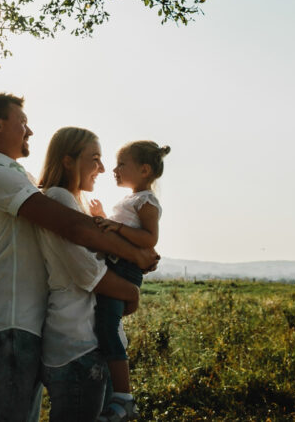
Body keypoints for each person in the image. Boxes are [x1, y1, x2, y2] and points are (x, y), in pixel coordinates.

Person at [0, 94, 158, 422]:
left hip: (30, 321)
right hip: (12, 319)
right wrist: (136, 255)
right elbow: (72, 228)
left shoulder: (22, 178)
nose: (29, 131)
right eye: (22, 123)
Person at [34, 127, 142, 422]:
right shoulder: (58, 198)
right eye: (95, 159)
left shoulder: (73, 201)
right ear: (68, 161)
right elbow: (86, 272)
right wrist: (131, 292)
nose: (103, 168)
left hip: (86, 342)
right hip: (76, 344)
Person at [92, 141, 169, 422]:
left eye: (121, 164)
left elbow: (150, 239)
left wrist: (117, 226)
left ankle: (123, 398)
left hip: (125, 269)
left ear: (144, 169)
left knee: (108, 327)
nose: (114, 169)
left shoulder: (145, 201)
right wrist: (103, 218)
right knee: (104, 321)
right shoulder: (129, 200)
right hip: (117, 264)